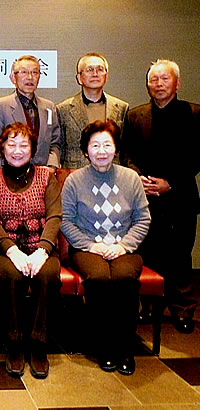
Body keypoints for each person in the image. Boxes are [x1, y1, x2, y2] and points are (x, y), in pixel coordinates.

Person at [62, 120, 150, 376]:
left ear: (116, 148)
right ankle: (103, 346)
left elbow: (143, 219)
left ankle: (125, 346)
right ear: (85, 150)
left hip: (124, 247)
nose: (101, 151)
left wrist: (124, 246)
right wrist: (92, 246)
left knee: (123, 277)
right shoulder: (74, 180)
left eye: (107, 145)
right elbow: (66, 221)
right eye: (95, 145)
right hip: (87, 247)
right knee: (99, 278)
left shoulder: (131, 178)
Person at [121, 59, 200, 334]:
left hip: (180, 197)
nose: (158, 84)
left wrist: (171, 183)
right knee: (148, 252)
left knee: (180, 255)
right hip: (144, 197)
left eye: (164, 79)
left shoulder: (195, 114)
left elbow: (197, 156)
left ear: (177, 83)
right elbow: (126, 153)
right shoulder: (136, 115)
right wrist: (138, 178)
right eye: (153, 80)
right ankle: (149, 307)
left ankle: (182, 309)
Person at [0, 122, 61, 379]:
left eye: (23, 145)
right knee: (11, 276)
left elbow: (55, 216)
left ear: (33, 149)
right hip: (3, 248)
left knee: (47, 275)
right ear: (2, 148)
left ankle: (39, 343)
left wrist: (43, 251)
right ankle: (13, 342)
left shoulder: (47, 177)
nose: (17, 150)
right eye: (11, 144)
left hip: (41, 246)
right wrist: (12, 251)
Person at [0, 55, 60, 171]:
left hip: (43, 174)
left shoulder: (48, 107)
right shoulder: (0, 106)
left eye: (34, 72)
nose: (30, 77)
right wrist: (0, 176)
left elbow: (55, 142)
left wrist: (52, 166)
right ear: (13, 78)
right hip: (10, 175)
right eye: (24, 72)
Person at [56, 53, 129, 169]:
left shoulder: (121, 108)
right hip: (76, 174)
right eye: (89, 70)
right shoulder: (63, 109)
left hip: (112, 173)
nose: (95, 74)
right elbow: (60, 148)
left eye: (100, 69)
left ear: (106, 76)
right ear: (79, 78)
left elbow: (124, 149)